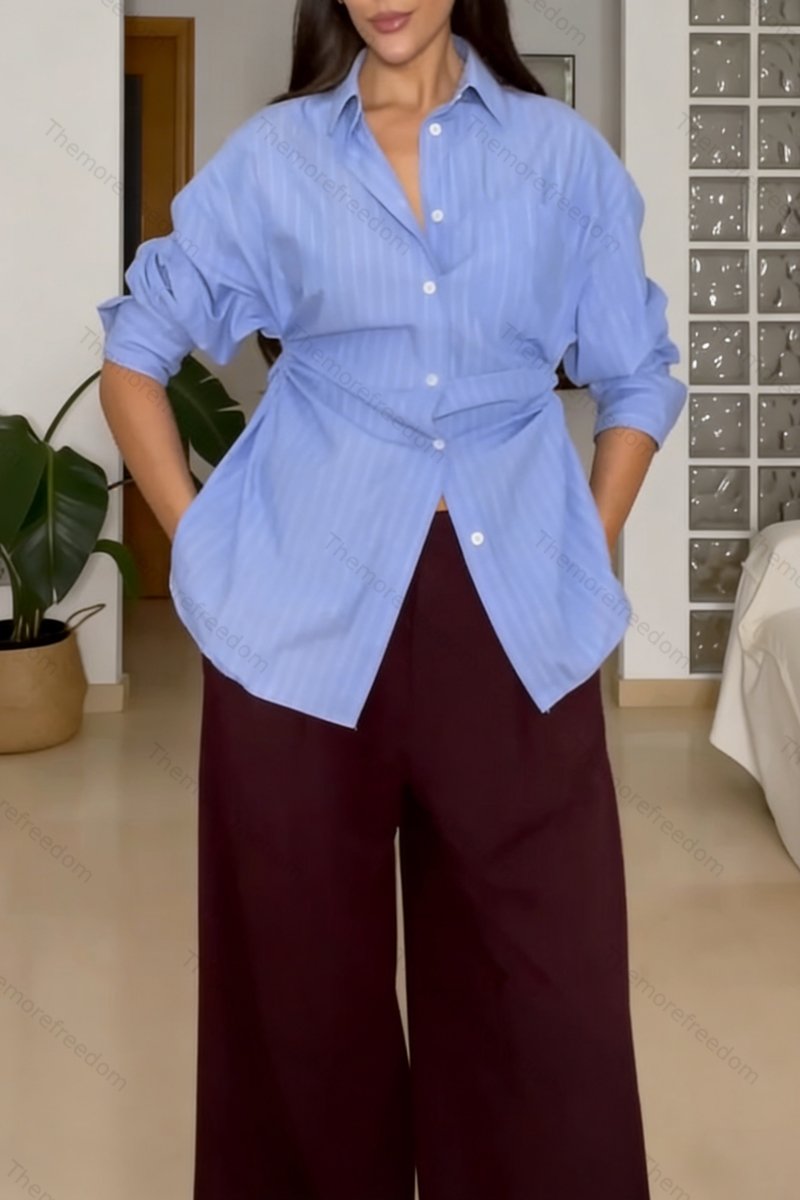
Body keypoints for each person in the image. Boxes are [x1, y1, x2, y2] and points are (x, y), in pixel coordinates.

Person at [97, 1, 686, 1196]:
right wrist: (201, 544)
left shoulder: (557, 158)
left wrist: (578, 543)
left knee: (544, 1005)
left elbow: (636, 377)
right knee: (299, 1006)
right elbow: (133, 353)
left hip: (508, 622)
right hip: (302, 629)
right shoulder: (275, 160)